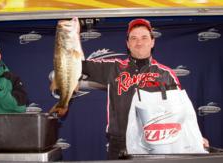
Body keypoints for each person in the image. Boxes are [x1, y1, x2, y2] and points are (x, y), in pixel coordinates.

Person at [81, 18, 208, 159]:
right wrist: (72, 34)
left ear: (152, 42)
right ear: (128, 44)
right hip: (119, 143)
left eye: (144, 37)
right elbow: (78, 65)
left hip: (155, 143)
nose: (139, 42)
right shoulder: (113, 68)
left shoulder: (165, 73)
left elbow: (180, 111)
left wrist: (194, 137)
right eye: (133, 38)